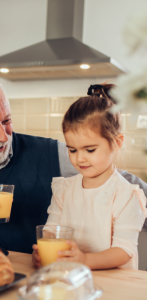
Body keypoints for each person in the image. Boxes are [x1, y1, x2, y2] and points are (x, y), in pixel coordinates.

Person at [0, 75, 147, 254]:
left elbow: (117, 180)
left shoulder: (53, 153)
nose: (3, 136)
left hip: (41, 275)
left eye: (6, 121)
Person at [32, 84, 147, 269]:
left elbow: (124, 250)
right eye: (72, 149)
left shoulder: (126, 195)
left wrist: (85, 260)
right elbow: (51, 231)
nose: (79, 158)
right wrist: (44, 252)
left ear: (117, 143)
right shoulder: (64, 189)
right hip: (71, 280)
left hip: (115, 287)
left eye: (90, 149)